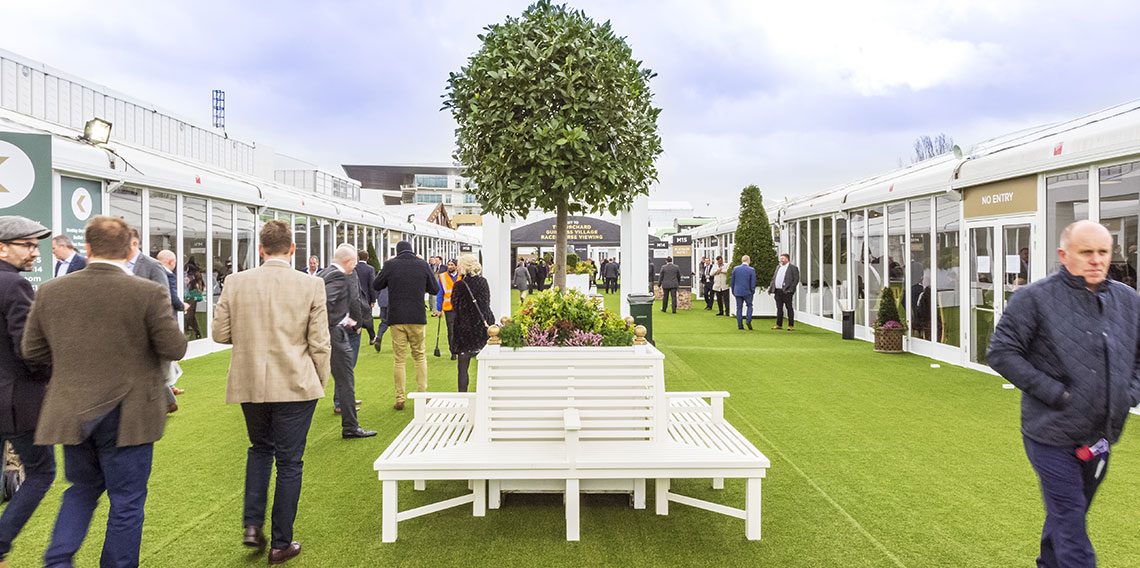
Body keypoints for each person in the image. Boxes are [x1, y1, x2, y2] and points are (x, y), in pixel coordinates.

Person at [23, 215, 187, 568]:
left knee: (81, 489)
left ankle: (58, 560)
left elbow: (33, 351)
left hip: (72, 410)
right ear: (131, 249)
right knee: (126, 501)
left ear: (87, 248)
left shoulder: (51, 290)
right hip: (130, 414)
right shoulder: (147, 292)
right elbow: (175, 347)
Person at [987, 220, 1140, 568]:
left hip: (1101, 435)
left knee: (1067, 514)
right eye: (1086, 252)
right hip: (1050, 433)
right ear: (1064, 255)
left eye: (1103, 252)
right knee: (1071, 522)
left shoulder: (1129, 301)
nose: (1096, 260)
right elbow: (1001, 352)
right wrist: (1055, 394)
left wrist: (1129, 394)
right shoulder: (1034, 299)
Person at [211, 219, 331, 566]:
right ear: (293, 249)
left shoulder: (236, 282)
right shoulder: (311, 284)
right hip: (296, 382)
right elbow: (319, 342)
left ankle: (252, 525)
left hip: (250, 382)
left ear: (261, 249)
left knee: (260, 450)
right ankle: (280, 542)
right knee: (290, 461)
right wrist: (319, 381)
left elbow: (220, 334)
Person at [0, 217, 55, 565]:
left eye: (36, 245)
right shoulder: (15, 285)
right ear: (2, 247)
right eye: (28, 245)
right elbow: (29, 350)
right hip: (16, 401)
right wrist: (50, 370)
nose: (35, 252)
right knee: (42, 473)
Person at [374, 241, 440, 410]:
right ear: (412, 250)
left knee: (399, 360)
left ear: (397, 252)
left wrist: (387, 267)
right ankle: (423, 395)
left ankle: (400, 398)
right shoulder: (422, 264)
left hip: (397, 317)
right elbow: (434, 289)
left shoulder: (390, 265)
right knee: (419, 356)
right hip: (417, 316)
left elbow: (376, 285)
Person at [320, 244, 374, 437]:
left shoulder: (323, 273)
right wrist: (345, 320)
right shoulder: (340, 275)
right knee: (346, 379)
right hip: (336, 334)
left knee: (343, 378)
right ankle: (350, 427)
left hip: (328, 333)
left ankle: (350, 424)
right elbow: (328, 302)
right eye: (354, 263)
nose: (354, 268)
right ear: (348, 261)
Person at [449, 256, 495, 393]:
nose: (457, 267)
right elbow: (486, 303)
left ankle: (462, 395)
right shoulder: (483, 282)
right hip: (481, 327)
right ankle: (485, 395)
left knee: (463, 367)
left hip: (464, 329)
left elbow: (455, 305)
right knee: (484, 365)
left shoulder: (459, 285)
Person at [157, 250, 189, 396]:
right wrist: (183, 306)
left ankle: (170, 386)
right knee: (168, 355)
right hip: (166, 319)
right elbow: (172, 298)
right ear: (172, 262)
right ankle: (169, 388)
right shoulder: (168, 275)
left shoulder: (154, 272)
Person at [434, 259, 462, 360]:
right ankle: (453, 351)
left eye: (452, 265)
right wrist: (438, 309)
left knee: (460, 329)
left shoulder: (462, 276)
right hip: (448, 308)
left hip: (460, 308)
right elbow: (440, 293)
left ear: (456, 266)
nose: (449, 266)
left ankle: (461, 349)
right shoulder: (442, 277)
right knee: (451, 330)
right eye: (448, 265)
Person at [769, 253, 800, 331]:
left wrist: (791, 290)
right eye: (781, 258)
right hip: (777, 291)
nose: (781, 260)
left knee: (789, 307)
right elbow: (774, 278)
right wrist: (771, 289)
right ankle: (779, 324)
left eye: (782, 258)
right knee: (779, 308)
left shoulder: (793, 268)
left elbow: (796, 280)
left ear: (787, 259)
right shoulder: (778, 267)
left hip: (787, 291)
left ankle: (790, 325)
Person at [355, 250, 377, 347]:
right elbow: (372, 285)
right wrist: (373, 299)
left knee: (355, 317)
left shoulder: (353, 268)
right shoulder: (370, 269)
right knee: (368, 318)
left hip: (354, 297)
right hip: (366, 298)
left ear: (358, 257)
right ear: (367, 258)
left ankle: (356, 339)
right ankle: (372, 337)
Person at [730, 255, 756, 330]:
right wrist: (752, 290)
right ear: (748, 260)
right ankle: (748, 320)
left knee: (739, 308)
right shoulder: (751, 270)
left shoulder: (735, 269)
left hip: (737, 291)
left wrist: (733, 290)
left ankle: (740, 325)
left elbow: (732, 281)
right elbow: (753, 281)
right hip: (748, 291)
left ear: (742, 260)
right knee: (749, 305)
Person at [184, 260, 205, 339]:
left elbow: (198, 284)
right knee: (190, 317)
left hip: (192, 295)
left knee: (188, 316)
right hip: (187, 295)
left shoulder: (193, 273)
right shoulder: (181, 271)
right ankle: (197, 333)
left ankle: (186, 333)